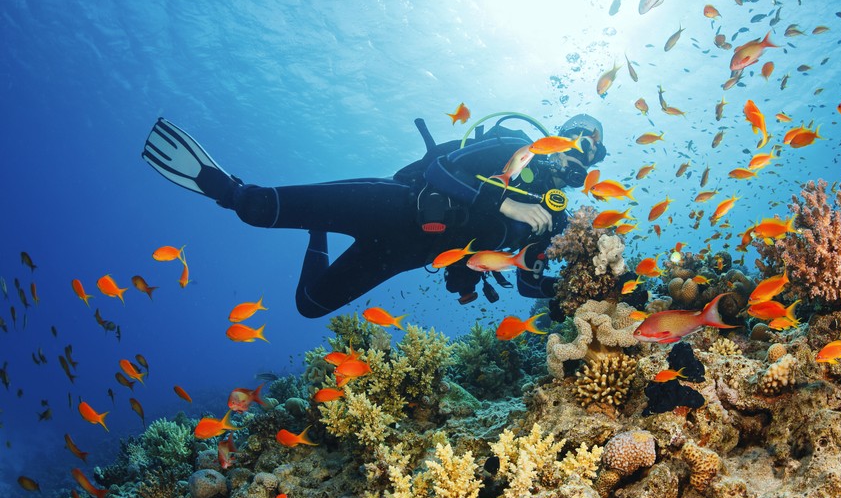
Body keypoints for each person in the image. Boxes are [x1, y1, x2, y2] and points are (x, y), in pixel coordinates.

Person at [142, 113, 606, 318]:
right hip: (396, 203)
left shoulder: (557, 219)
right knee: (257, 207)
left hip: (407, 253)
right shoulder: (515, 149)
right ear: (562, 138)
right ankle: (217, 182)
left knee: (309, 305)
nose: (584, 159)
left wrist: (568, 296)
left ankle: (317, 234)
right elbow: (437, 170)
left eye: (595, 153)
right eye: (581, 143)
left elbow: (527, 280)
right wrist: (504, 201)